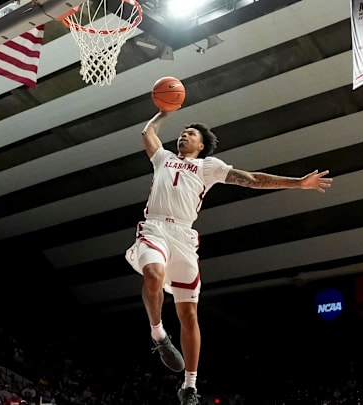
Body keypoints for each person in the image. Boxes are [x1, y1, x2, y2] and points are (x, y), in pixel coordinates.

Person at [125, 109, 333, 405]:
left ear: (201, 145)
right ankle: (158, 335)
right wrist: (163, 112)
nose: (184, 134)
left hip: (184, 236)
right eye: (182, 131)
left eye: (191, 133)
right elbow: (147, 133)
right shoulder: (163, 158)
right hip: (155, 227)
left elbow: (250, 179)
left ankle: (190, 387)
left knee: (188, 314)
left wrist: (297, 183)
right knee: (154, 275)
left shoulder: (209, 166)